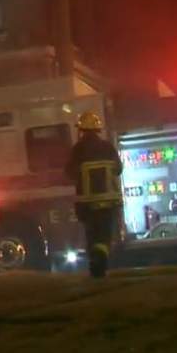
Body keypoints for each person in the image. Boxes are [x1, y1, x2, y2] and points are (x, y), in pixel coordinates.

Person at [65, 111, 123, 278]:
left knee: (92, 234)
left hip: (87, 203)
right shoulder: (107, 147)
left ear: (81, 130)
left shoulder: (77, 150)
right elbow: (118, 170)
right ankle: (101, 262)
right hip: (108, 202)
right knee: (104, 236)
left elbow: (69, 172)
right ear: (97, 130)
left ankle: (95, 263)